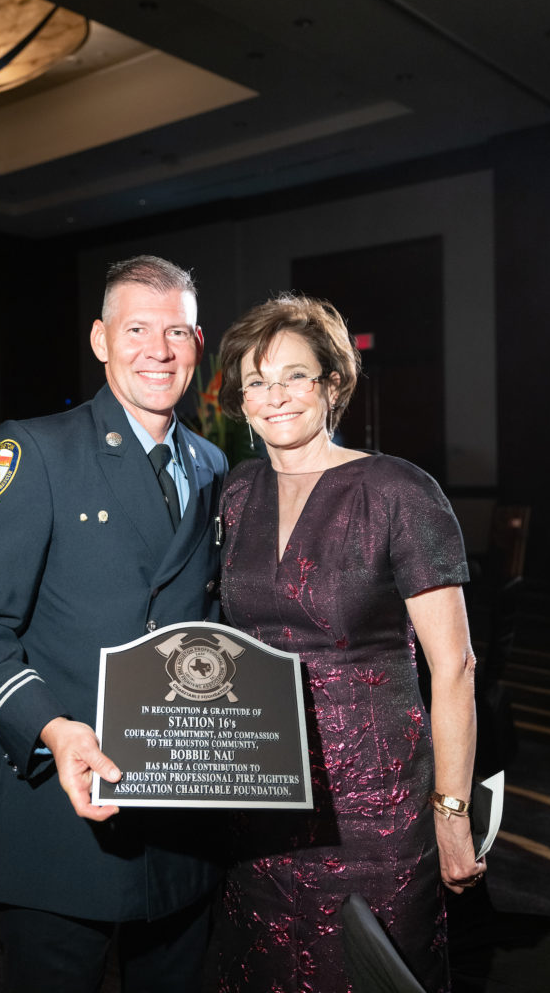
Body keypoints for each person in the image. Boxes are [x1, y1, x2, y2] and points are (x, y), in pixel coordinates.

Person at [0, 256, 228, 993]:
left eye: (176, 331)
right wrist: (51, 729)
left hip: (182, 824)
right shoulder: (38, 449)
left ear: (198, 342)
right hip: (58, 823)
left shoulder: (216, 464)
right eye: (135, 329)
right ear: (100, 340)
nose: (157, 351)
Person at [214, 294, 486, 992]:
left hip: (377, 807)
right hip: (265, 800)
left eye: (294, 376)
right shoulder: (236, 493)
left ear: (333, 384)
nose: (274, 397)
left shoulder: (398, 491)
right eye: (256, 382)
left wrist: (450, 814)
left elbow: (453, 667)